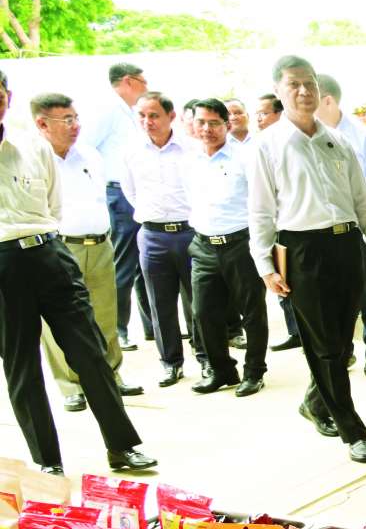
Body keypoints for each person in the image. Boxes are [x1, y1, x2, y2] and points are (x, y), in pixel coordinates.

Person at [0, 70, 156, 476]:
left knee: (90, 352)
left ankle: (122, 446)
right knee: (22, 366)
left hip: (49, 253)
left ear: (8, 98)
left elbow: (52, 206)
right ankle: (48, 462)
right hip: (3, 263)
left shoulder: (32, 147)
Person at [248, 55, 366, 465]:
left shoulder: (337, 140)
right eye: (293, 84)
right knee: (325, 347)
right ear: (278, 90)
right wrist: (265, 266)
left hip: (346, 246)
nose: (303, 91)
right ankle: (353, 431)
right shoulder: (268, 146)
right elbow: (260, 211)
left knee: (342, 343)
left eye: (309, 83)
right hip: (302, 249)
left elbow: (362, 201)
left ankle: (315, 402)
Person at [31, 93, 145, 411]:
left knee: (105, 315)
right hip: (59, 247)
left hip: (100, 245)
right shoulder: (33, 158)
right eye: (66, 120)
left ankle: (110, 375)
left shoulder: (89, 155)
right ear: (42, 123)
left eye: (76, 118)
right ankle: (71, 385)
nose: (75, 125)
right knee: (59, 320)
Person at [185, 99, 266, 398]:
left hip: (240, 244)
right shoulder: (190, 160)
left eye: (214, 123)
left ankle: (254, 372)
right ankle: (222, 371)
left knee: (251, 311)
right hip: (204, 245)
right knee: (203, 312)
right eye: (201, 122)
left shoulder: (245, 157)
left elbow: (262, 202)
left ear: (227, 125)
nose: (206, 129)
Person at [124, 91, 206, 387]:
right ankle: (171, 362)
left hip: (189, 233)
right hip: (153, 235)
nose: (148, 121)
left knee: (199, 302)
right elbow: (130, 191)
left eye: (154, 115)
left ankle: (206, 358)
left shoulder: (192, 149)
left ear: (171, 116)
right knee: (160, 304)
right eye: (142, 116)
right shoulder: (131, 151)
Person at [314, 74, 366, 376]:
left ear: (328, 100)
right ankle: (346, 351)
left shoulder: (362, 136)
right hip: (323, 231)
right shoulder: (309, 137)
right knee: (333, 296)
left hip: (356, 227)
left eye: (313, 100)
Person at [80, 62, 153, 352]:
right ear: (128, 81)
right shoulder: (107, 109)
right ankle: (118, 328)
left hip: (140, 189)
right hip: (119, 191)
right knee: (124, 263)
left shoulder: (132, 111)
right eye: (143, 81)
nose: (146, 87)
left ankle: (152, 325)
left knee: (145, 261)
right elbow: (85, 147)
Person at [256, 93, 301, 353]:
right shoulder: (259, 145)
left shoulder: (292, 145)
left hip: (293, 231)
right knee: (280, 284)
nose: (258, 119)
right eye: (256, 114)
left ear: (279, 114)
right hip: (267, 229)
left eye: (263, 113)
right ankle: (295, 332)